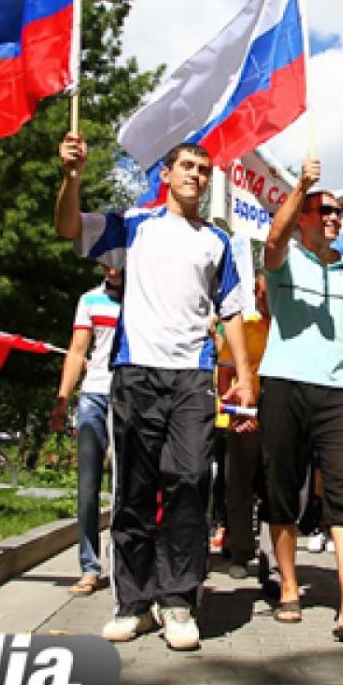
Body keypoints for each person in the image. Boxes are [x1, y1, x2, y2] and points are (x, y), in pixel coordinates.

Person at [54, 132, 254, 651]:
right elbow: (69, 228)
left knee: (190, 480)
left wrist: (244, 375)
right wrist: (72, 176)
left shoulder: (217, 242)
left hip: (192, 377)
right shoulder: (134, 225)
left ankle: (178, 600)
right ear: (165, 175)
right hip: (135, 372)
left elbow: (232, 310)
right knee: (135, 489)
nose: (196, 176)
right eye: (187, 167)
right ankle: (134, 603)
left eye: (203, 170)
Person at [258, 154, 343, 641]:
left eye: (339, 211)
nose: (335, 217)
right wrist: (299, 188)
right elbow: (273, 242)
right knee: (282, 487)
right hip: (284, 384)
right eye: (325, 210)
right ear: (304, 218)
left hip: (340, 393)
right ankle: (289, 586)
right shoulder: (285, 258)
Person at [49, 263, 123, 597]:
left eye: (117, 259)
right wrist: (62, 398)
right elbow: (78, 350)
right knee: (88, 484)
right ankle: (89, 567)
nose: (112, 266)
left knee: (124, 484)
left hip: (129, 396)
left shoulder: (143, 297)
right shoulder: (90, 300)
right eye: (105, 260)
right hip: (94, 394)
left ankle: (122, 561)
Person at [216, 274, 270, 580]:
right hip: (243, 421)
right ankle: (240, 553)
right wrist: (237, 413)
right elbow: (225, 377)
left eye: (268, 291)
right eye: (258, 292)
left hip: (279, 421)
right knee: (239, 489)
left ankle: (271, 559)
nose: (263, 298)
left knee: (276, 491)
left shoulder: (290, 331)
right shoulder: (244, 329)